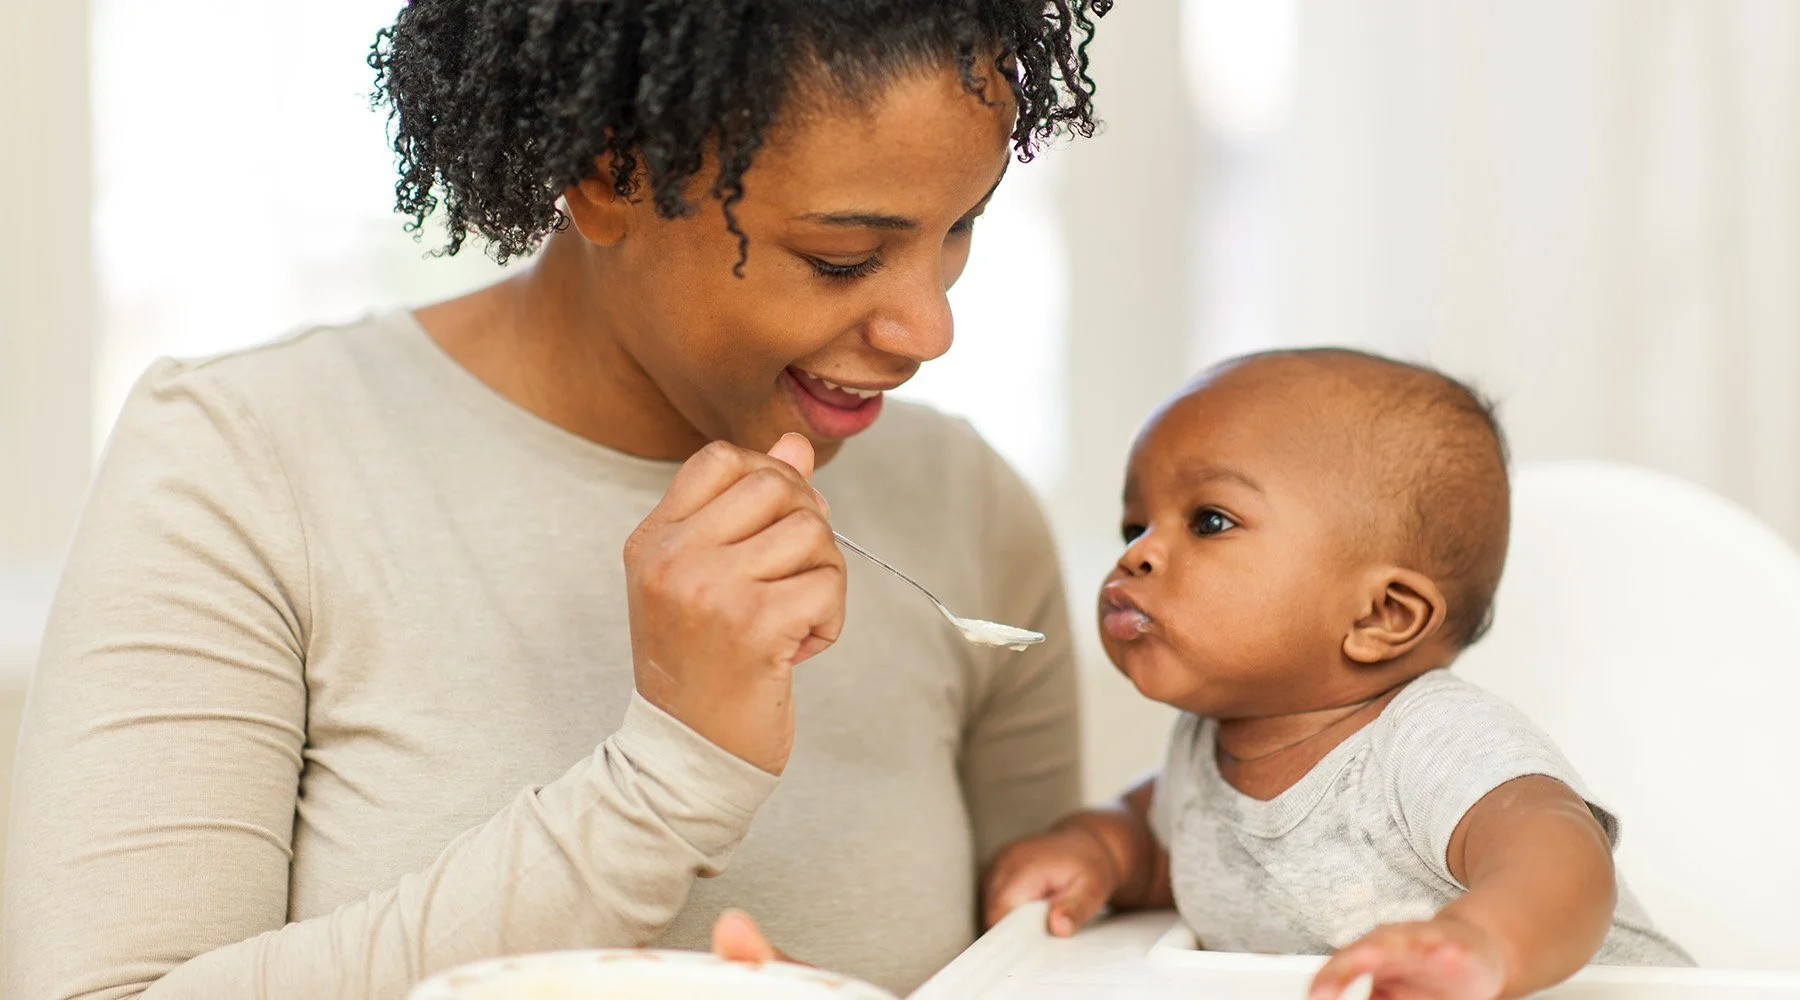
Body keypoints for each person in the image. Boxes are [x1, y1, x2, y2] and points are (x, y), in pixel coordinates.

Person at [3, 2, 1113, 997]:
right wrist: (671, 777)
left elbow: (1046, 966)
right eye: (842, 256)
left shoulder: (967, 505)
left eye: (961, 225)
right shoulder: (244, 462)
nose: (929, 329)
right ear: (608, 175)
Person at [983, 349, 1691, 1000]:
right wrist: (1097, 852)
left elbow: (1563, 859)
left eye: (1209, 521)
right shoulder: (1201, 752)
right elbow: (1170, 854)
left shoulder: (1428, 742)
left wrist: (1482, 943)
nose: (1136, 554)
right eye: (1134, 526)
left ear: (1382, 614)